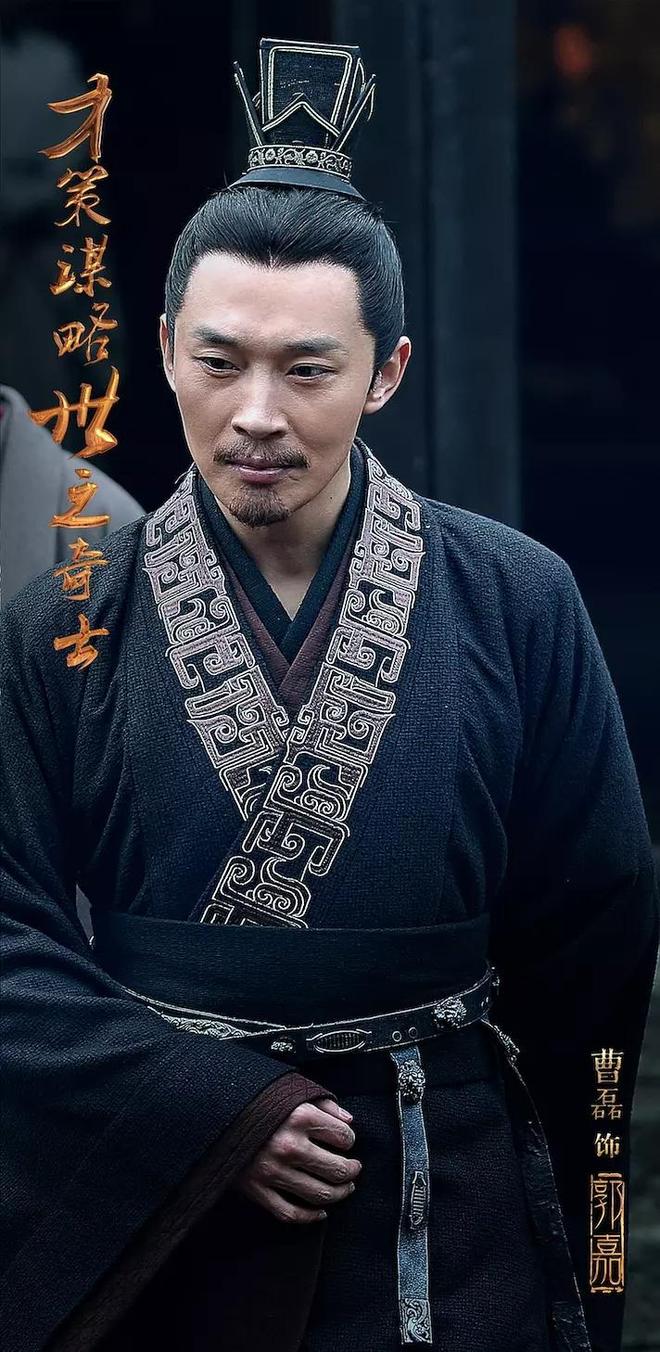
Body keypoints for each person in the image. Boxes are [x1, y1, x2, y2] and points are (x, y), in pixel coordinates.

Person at [1, 37, 657, 1352]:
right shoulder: (62, 618)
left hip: (448, 1211)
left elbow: (594, 927)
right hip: (165, 1203)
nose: (257, 414)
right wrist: (209, 1108)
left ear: (388, 370)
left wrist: (574, 1210)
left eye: (307, 368)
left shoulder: (518, 598)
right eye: (219, 361)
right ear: (164, 353)